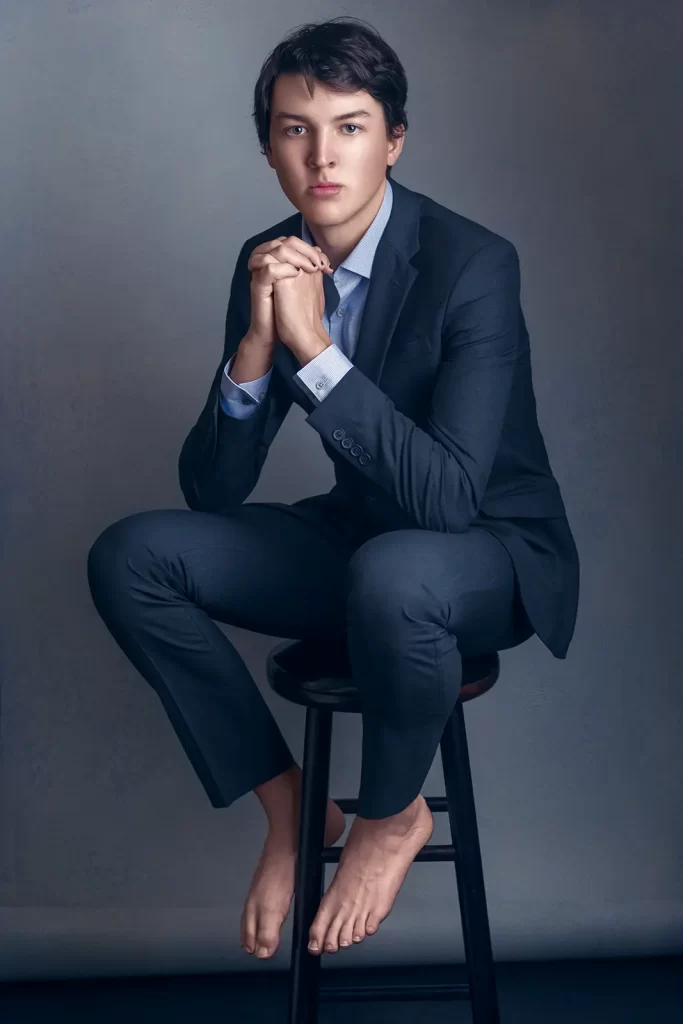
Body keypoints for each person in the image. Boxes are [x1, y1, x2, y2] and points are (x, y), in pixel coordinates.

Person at [87, 16, 579, 963]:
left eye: (350, 127)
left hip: (489, 551)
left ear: (394, 140)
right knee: (133, 556)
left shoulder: (472, 265)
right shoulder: (268, 258)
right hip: (360, 546)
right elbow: (213, 493)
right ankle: (290, 812)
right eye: (294, 128)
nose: (322, 155)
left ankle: (390, 814)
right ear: (267, 146)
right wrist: (255, 351)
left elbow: (444, 499)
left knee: (398, 572)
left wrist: (313, 351)